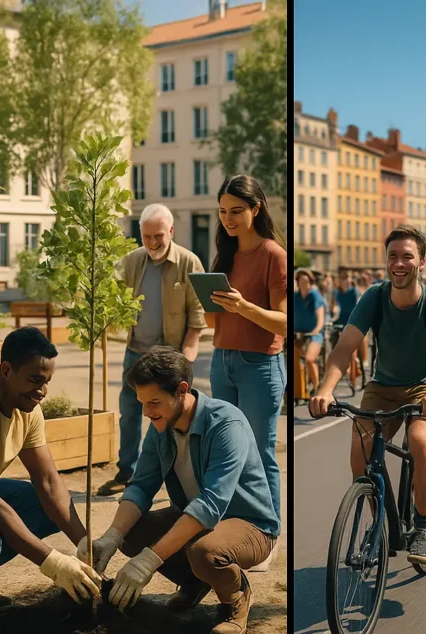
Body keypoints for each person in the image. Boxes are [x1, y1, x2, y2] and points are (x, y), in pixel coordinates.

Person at [79, 346, 279, 634]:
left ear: (182, 390)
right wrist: (112, 536)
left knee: (205, 552)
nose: (147, 412)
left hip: (249, 524)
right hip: (197, 521)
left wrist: (149, 561)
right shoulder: (161, 424)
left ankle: (235, 596)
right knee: (132, 533)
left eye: (154, 402)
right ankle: (195, 580)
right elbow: (141, 486)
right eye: (143, 403)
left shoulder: (226, 424)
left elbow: (211, 505)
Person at [309, 226, 426, 568]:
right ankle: (379, 526)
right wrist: (325, 388)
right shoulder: (374, 297)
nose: (399, 263)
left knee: (420, 439)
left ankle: (423, 525)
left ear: (421, 262)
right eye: (393, 256)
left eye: (407, 256)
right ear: (386, 261)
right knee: (361, 448)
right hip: (383, 387)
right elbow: (345, 347)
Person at [0, 328, 102, 634]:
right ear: (6, 370)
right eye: (35, 380)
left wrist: (84, 545)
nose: (42, 391)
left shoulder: (27, 408)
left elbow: (49, 484)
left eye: (47, 381)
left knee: (39, 503)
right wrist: (53, 563)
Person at [205, 175, 287, 571]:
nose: (228, 219)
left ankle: (268, 535)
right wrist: (208, 301)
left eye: (236, 211)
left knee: (261, 451)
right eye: (222, 212)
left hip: (260, 365)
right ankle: (237, 528)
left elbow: (284, 323)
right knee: (228, 450)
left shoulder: (274, 255)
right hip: (221, 361)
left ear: (256, 209)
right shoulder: (223, 255)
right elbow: (211, 320)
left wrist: (243, 307)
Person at [100, 204, 208, 497]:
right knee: (130, 412)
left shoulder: (189, 262)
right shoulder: (132, 260)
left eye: (158, 236)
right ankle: (127, 472)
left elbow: (198, 317)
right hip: (136, 353)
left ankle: (174, 478)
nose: (152, 243)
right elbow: (111, 297)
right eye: (146, 236)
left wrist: (185, 359)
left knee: (170, 418)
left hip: (170, 358)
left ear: (171, 231)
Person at [293, 269, 326, 391]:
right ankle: (298, 389)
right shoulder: (295, 296)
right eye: (301, 281)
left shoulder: (314, 295)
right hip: (298, 333)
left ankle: (317, 388)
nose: (304, 284)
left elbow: (320, 316)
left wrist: (316, 330)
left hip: (314, 333)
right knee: (293, 358)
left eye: (307, 281)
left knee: (309, 359)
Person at [332, 269, 362, 390]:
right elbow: (334, 305)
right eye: (342, 278)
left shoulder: (354, 291)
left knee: (351, 351)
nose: (345, 280)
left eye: (347, 277)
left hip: (353, 320)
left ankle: (353, 379)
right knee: (337, 346)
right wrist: (334, 310)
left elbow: (357, 306)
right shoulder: (337, 293)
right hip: (341, 319)